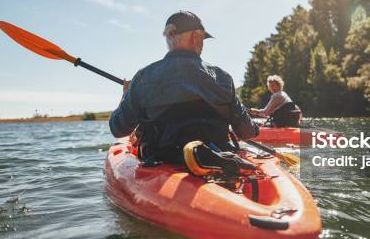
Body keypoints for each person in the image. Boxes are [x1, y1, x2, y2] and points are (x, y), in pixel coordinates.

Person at [109, 10, 259, 171]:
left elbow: (118, 128)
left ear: (169, 37)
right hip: (218, 160)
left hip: (162, 162)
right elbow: (247, 131)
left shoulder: (143, 77)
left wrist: (126, 94)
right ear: (196, 36)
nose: (202, 43)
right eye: (203, 38)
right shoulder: (222, 77)